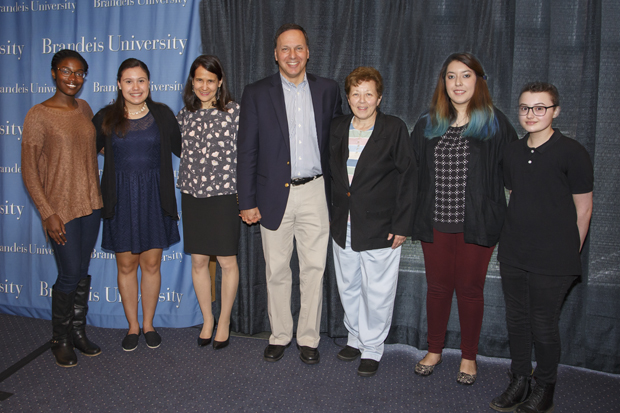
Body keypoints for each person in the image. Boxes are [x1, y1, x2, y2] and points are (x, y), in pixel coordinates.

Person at [237, 23, 342, 364]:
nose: (292, 55)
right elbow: (247, 151)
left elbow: (337, 145)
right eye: (285, 49)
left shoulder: (328, 90)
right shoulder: (256, 92)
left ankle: (308, 338)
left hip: (315, 192)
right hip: (271, 195)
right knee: (277, 270)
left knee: (314, 269)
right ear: (275, 54)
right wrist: (247, 200)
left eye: (298, 48)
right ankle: (280, 335)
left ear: (308, 52)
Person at [410, 52, 518, 384]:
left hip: (478, 224)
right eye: (451, 76)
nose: (458, 83)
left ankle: (469, 357)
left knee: (470, 290)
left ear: (479, 81)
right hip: (435, 223)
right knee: (438, 288)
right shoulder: (428, 123)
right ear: (443, 83)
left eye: (466, 75)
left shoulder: (496, 123)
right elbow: (413, 174)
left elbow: (514, 178)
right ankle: (435, 349)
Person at [490, 82, 593, 413]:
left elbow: (584, 209)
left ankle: (544, 386)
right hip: (514, 252)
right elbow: (514, 193)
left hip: (554, 257)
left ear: (555, 111)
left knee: (543, 323)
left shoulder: (572, 152)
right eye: (524, 108)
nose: (531, 114)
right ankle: (520, 380)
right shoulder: (512, 151)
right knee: (517, 321)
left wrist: (569, 252)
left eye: (539, 108)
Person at [330, 67, 416, 377]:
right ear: (348, 97)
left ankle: (372, 347)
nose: (362, 100)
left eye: (368, 94)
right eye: (356, 94)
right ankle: (354, 337)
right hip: (344, 225)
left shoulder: (393, 129)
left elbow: (409, 177)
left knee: (377, 291)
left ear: (379, 98)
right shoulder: (338, 128)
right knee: (349, 287)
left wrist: (403, 224)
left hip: (382, 228)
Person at [21, 49, 103, 367]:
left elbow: (89, 151)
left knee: (81, 272)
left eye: (80, 72)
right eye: (66, 71)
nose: (73, 78)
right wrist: (47, 211)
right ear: (54, 72)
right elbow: (29, 170)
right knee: (69, 274)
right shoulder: (38, 114)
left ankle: (78, 333)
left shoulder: (84, 107)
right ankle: (61, 338)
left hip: (91, 205)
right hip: (61, 209)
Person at [93, 58, 182, 351]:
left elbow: (186, 150)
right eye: (129, 81)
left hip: (155, 197)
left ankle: (149, 325)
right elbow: (85, 152)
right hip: (121, 199)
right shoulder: (105, 117)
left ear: (149, 83)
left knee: (152, 263)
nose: (135, 87)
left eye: (141, 80)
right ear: (119, 84)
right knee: (127, 264)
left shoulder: (163, 115)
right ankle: (132, 326)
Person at [177, 55, 240, 350]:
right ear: (192, 81)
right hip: (192, 197)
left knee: (227, 261)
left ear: (220, 82)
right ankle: (207, 319)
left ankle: (224, 320)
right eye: (199, 79)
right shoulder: (183, 115)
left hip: (225, 197)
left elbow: (248, 155)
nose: (204, 86)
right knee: (199, 261)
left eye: (210, 80)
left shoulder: (234, 112)